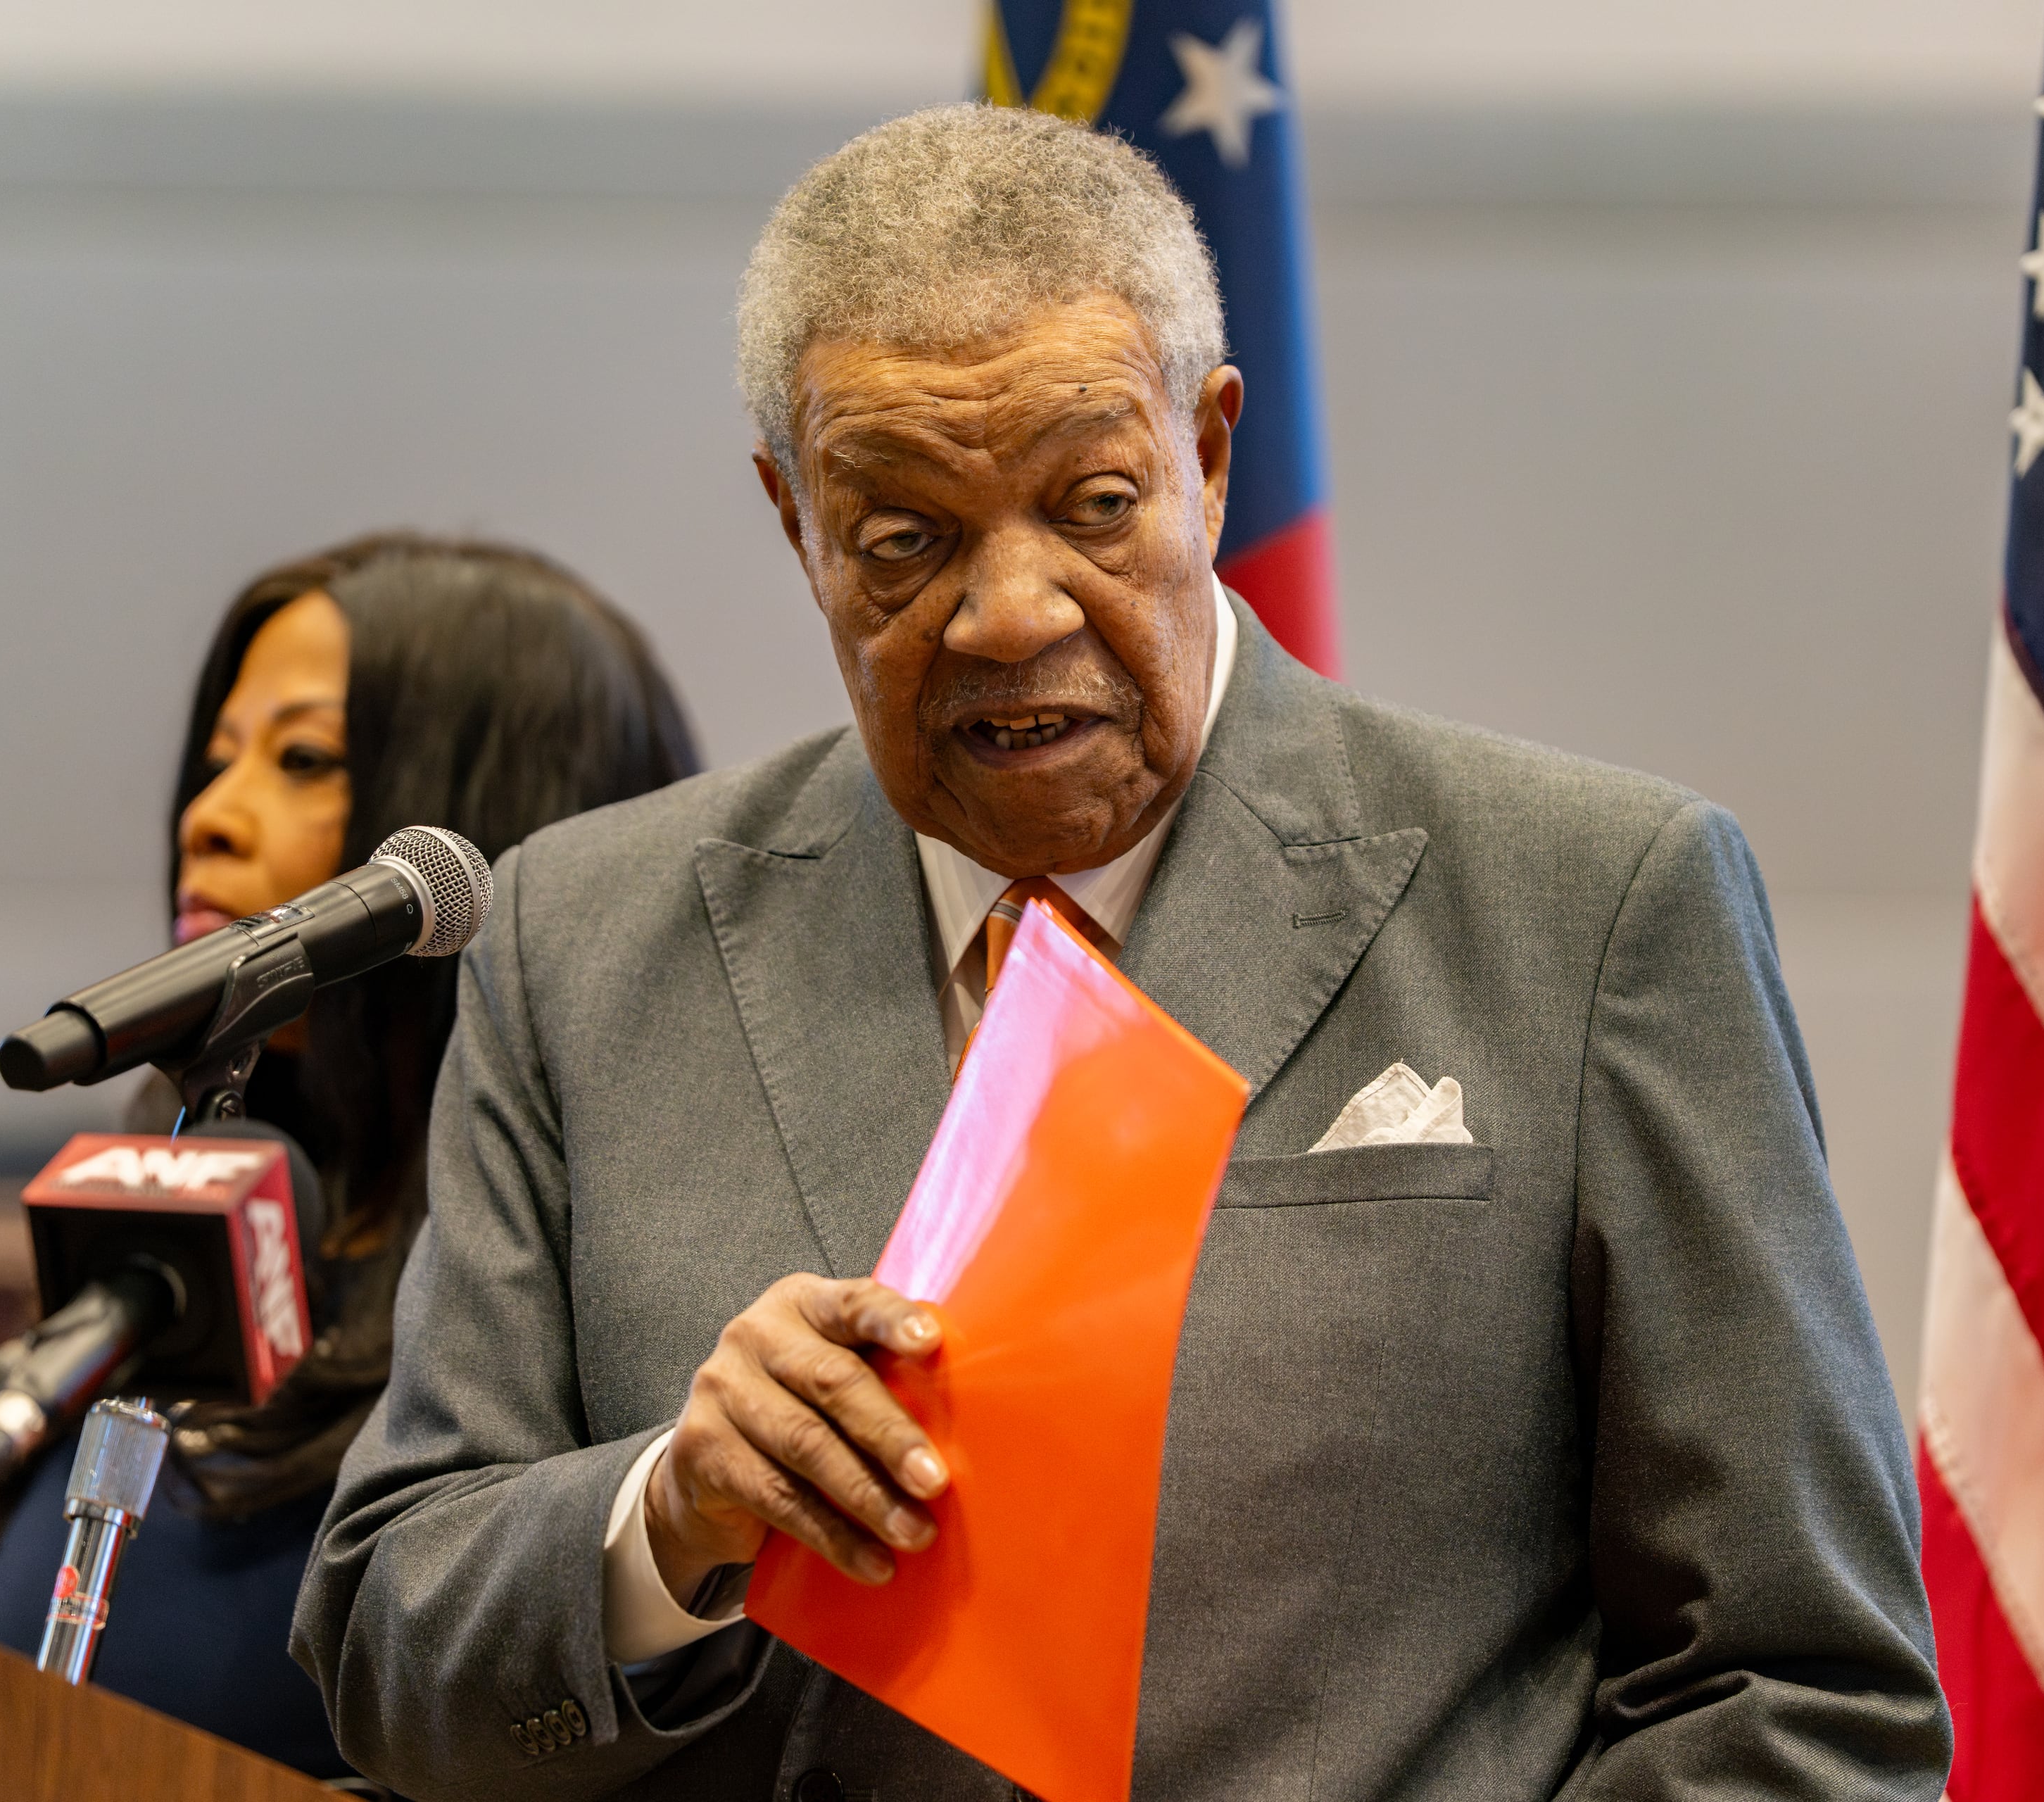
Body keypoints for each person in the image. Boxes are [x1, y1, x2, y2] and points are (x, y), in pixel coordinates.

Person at [295, 106, 1951, 1801]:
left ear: (1211, 452)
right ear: (793, 516)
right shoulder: (581, 940)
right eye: (904, 539)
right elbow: (386, 1648)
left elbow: (1800, 1692)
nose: (1013, 612)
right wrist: (669, 1515)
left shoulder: (1595, 906)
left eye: (1094, 503)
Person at [0, 533, 697, 1777]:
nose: (208, 818)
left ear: (490, 829)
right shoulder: (174, 1273)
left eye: (301, 761)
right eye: (215, 760)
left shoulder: (551, 1348)